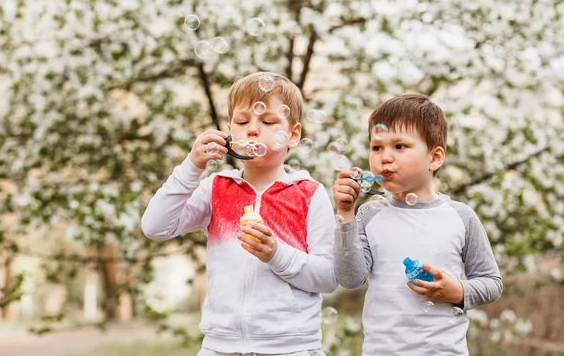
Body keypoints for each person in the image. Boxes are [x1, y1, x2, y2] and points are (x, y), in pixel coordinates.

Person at [142, 72, 336, 356]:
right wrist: (191, 167)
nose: (252, 130)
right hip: (220, 347)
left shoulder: (309, 194)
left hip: (291, 348)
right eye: (242, 121)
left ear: (293, 135)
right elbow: (154, 227)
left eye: (268, 121)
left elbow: (328, 277)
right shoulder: (216, 188)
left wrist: (276, 254)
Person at [332, 93, 503, 355]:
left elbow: (491, 282)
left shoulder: (460, 216)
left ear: (434, 158)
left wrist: (456, 291)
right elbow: (350, 279)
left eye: (400, 146)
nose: (385, 157)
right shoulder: (368, 215)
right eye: (377, 147)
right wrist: (345, 214)